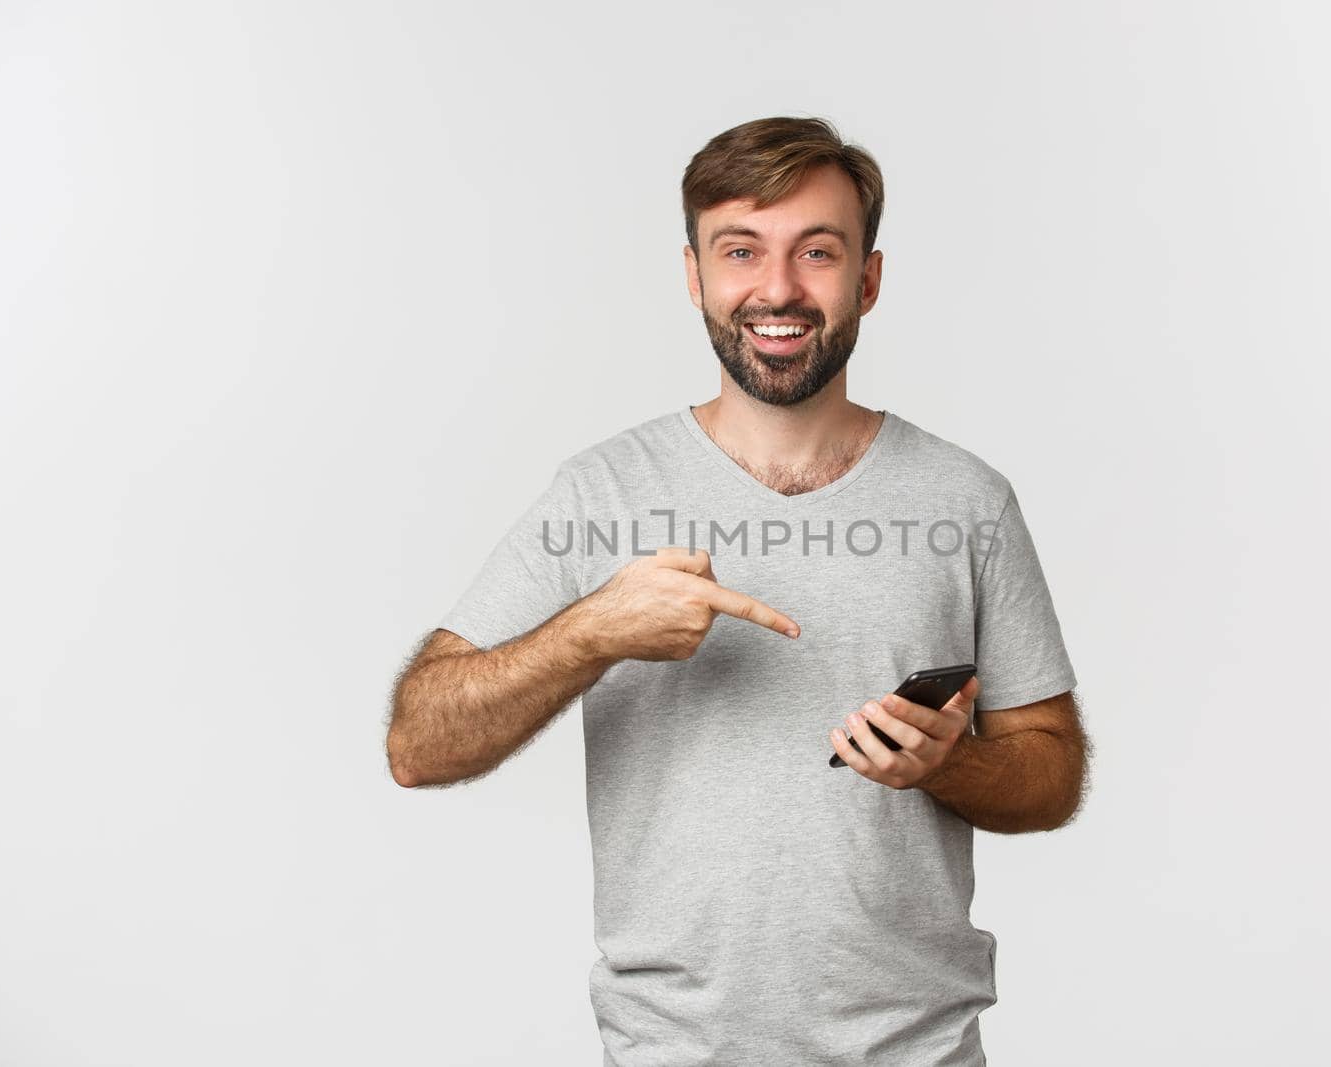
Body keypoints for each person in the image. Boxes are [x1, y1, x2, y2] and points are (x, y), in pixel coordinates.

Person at [386, 115, 1091, 1066]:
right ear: (694, 276)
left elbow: (1050, 769)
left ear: (868, 280)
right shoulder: (602, 493)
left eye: (818, 252)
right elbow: (418, 743)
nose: (778, 288)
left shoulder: (967, 501)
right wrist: (591, 631)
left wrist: (948, 764)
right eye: (740, 251)